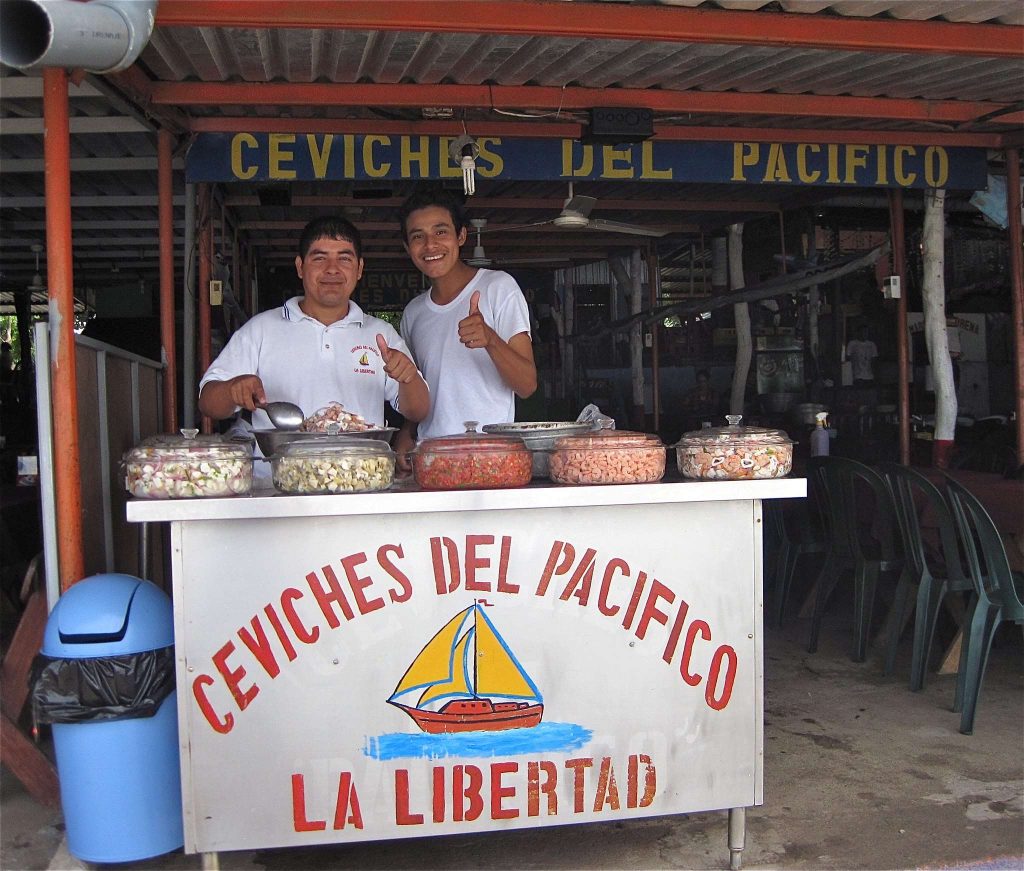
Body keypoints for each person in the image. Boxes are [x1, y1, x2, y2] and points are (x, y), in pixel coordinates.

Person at [198, 215, 429, 440]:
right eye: (319, 258)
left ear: (359, 269)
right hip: (277, 475)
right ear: (300, 267)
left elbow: (418, 411)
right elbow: (208, 402)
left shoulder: (381, 334)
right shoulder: (260, 329)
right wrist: (232, 390)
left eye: (344, 259)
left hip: (361, 474)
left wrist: (409, 378)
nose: (332, 269)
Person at [394, 188, 537, 465]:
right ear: (407, 247)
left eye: (440, 232)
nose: (430, 245)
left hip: (490, 457)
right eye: (417, 236)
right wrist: (407, 432)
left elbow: (527, 385)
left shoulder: (498, 288)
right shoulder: (413, 313)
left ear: (461, 236)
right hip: (431, 459)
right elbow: (419, 389)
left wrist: (491, 340)